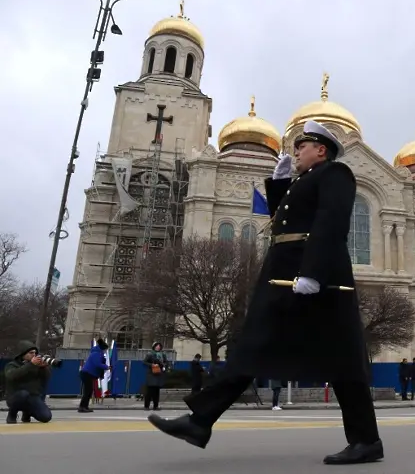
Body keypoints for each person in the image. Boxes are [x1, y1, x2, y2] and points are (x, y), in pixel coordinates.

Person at [147, 120, 383, 465]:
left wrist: (313, 273)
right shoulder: (305, 180)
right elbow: (285, 220)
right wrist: (280, 184)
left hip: (317, 277)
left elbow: (330, 222)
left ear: (321, 150)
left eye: (301, 146)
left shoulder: (336, 174)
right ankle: (199, 421)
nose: (295, 151)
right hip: (284, 271)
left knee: (345, 359)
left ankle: (366, 441)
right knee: (253, 345)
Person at [4, 341, 52, 424]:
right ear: (23, 354)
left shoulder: (36, 366)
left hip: (32, 396)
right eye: (31, 353)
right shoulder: (12, 365)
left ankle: (27, 413)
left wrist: (43, 368)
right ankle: (12, 414)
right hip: (15, 396)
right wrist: (31, 365)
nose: (34, 355)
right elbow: (12, 376)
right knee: (23, 394)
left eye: (35, 353)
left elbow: (46, 378)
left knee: (46, 417)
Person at [78, 338, 110, 413]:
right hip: (87, 374)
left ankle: (84, 406)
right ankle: (82, 407)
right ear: (103, 349)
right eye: (105, 350)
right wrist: (106, 367)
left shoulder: (97, 353)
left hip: (87, 374)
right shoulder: (96, 354)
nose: (106, 351)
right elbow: (97, 364)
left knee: (88, 391)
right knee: (88, 391)